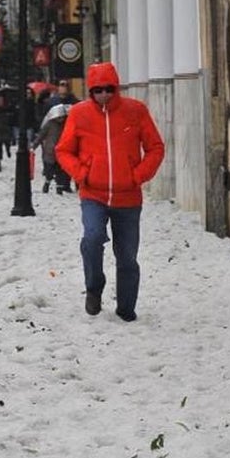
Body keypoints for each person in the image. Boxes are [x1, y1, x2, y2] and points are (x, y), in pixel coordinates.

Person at [55, 61, 165, 322]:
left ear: (116, 88)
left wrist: (137, 176)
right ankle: (94, 288)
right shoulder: (79, 114)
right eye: (97, 90)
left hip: (128, 197)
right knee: (92, 239)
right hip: (94, 195)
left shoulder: (135, 111)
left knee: (127, 255)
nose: (103, 94)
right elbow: (63, 150)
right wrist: (83, 174)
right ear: (90, 91)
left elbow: (155, 147)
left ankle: (126, 307)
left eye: (108, 89)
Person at [32, 103, 72, 194]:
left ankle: (59, 188)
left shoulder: (67, 124)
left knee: (60, 172)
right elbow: (41, 136)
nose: (61, 119)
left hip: (61, 151)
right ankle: (47, 183)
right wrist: (34, 145)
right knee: (49, 171)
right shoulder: (50, 124)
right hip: (50, 151)